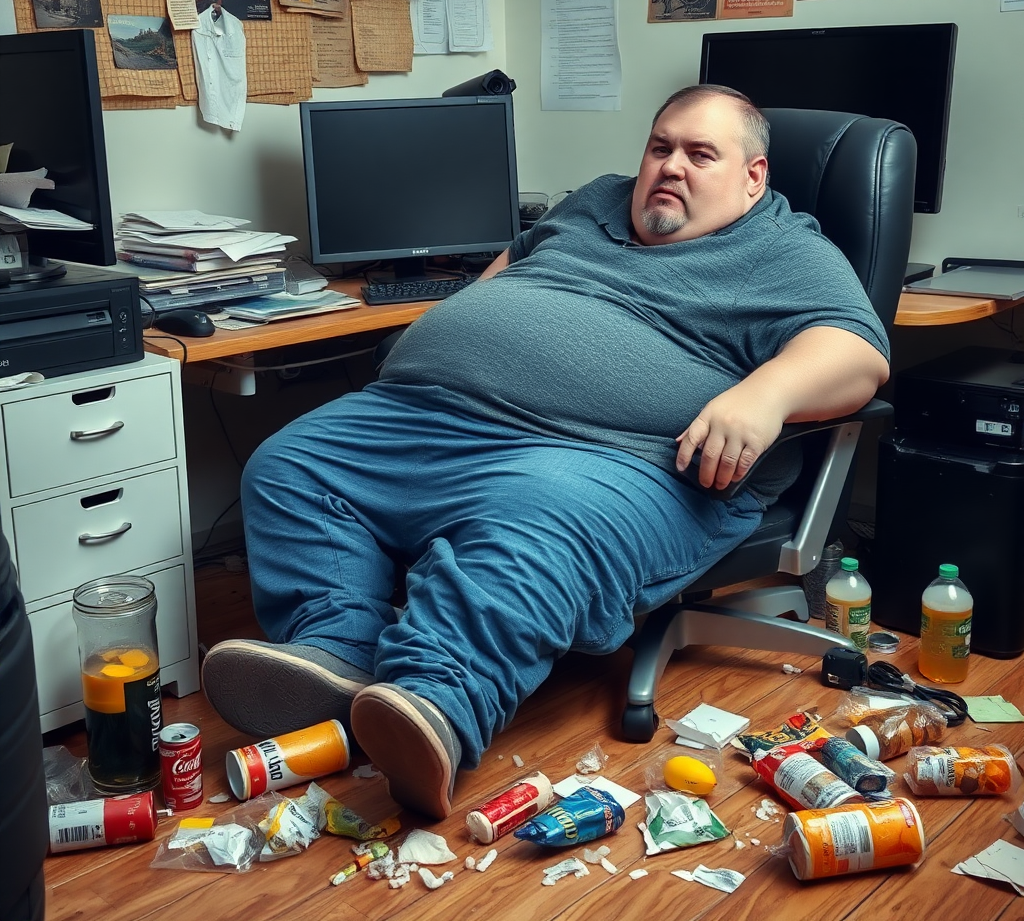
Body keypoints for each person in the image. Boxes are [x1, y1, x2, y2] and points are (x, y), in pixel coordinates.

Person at [201, 85, 890, 820]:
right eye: (661, 147)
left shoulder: (783, 248)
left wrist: (766, 395)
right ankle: (338, 651)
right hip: (430, 415)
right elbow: (516, 266)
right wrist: (460, 331)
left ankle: (433, 703)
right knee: (290, 466)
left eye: (700, 155)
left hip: (609, 455)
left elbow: (858, 354)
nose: (671, 167)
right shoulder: (597, 199)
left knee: (532, 528)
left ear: (753, 177)